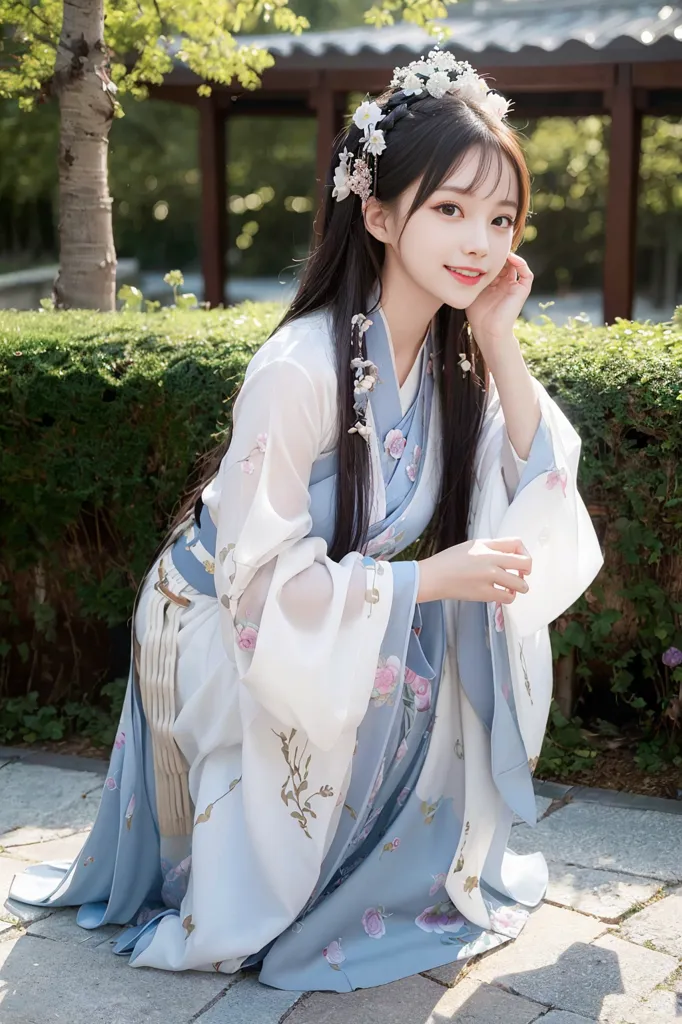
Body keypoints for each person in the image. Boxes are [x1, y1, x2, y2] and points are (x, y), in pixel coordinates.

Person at [10, 49, 604, 991]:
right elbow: (261, 590)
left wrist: (498, 333)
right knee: (419, 622)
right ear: (376, 213)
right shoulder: (298, 368)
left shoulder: (454, 358)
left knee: (439, 639)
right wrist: (423, 579)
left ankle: (381, 864)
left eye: (500, 218)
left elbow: (540, 487)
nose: (480, 242)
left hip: (325, 607)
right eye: (449, 209)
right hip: (220, 623)